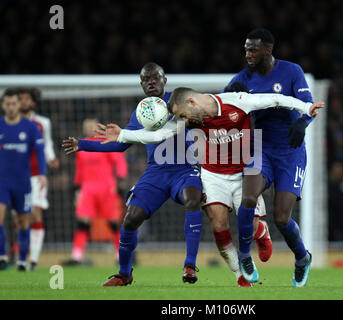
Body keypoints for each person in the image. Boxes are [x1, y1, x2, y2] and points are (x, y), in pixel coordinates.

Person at [99, 86, 323, 284]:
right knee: (218, 225)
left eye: (184, 115)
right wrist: (123, 135)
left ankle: (260, 230)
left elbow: (275, 100)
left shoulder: (237, 102)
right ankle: (241, 272)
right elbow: (159, 134)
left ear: (192, 102)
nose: (184, 121)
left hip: (242, 172)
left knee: (251, 222)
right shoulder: (188, 118)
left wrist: (305, 107)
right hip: (212, 175)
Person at [62, 62, 204, 286]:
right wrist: (84, 144)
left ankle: (189, 264)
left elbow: (201, 123)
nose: (151, 82)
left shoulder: (179, 101)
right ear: (141, 84)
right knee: (131, 217)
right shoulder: (140, 112)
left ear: (164, 80)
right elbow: (120, 145)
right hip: (156, 172)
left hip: (185, 169)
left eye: (155, 78)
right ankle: (124, 273)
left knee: (192, 197)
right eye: (146, 80)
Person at [225, 28, 317, 287]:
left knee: (281, 217)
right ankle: (245, 256)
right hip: (260, 147)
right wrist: (232, 99)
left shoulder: (292, 72)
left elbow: (308, 104)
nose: (248, 54)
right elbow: (220, 107)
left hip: (290, 150)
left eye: (253, 49)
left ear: (268, 49)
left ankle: (302, 258)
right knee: (248, 197)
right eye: (245, 49)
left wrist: (302, 123)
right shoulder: (241, 78)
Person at [61, 118, 128, 266]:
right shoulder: (81, 145)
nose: (89, 128)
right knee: (83, 222)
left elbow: (120, 161)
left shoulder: (105, 142)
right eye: (86, 126)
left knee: (113, 223)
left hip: (107, 187)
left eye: (92, 126)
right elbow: (80, 169)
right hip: (87, 189)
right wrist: (77, 188)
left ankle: (120, 254)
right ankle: (76, 256)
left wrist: (120, 181)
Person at [0, 88, 47, 271]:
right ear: (3, 105)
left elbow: (40, 152)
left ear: (19, 105)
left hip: (23, 182)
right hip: (2, 181)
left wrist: (42, 173)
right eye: (8, 104)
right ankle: (2, 257)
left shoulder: (30, 127)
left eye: (14, 103)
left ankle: (21, 261)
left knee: (23, 221)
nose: (11, 107)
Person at [17, 87, 59, 270]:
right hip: (16, 175)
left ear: (33, 102)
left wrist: (50, 158)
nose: (24, 102)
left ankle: (33, 260)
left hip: (36, 175)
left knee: (35, 212)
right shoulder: (10, 124)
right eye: (21, 99)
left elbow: (47, 143)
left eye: (27, 99)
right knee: (19, 218)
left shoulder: (42, 123)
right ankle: (19, 256)